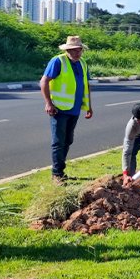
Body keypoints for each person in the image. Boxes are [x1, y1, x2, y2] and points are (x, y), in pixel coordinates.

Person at [40, 35, 93, 184]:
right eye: (73, 50)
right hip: (59, 109)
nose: (76, 53)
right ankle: (56, 174)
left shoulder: (83, 63)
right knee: (58, 141)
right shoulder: (58, 61)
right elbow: (44, 81)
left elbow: (86, 85)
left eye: (79, 50)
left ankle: (60, 171)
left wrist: (89, 106)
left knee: (68, 140)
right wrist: (48, 103)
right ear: (67, 50)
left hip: (74, 109)